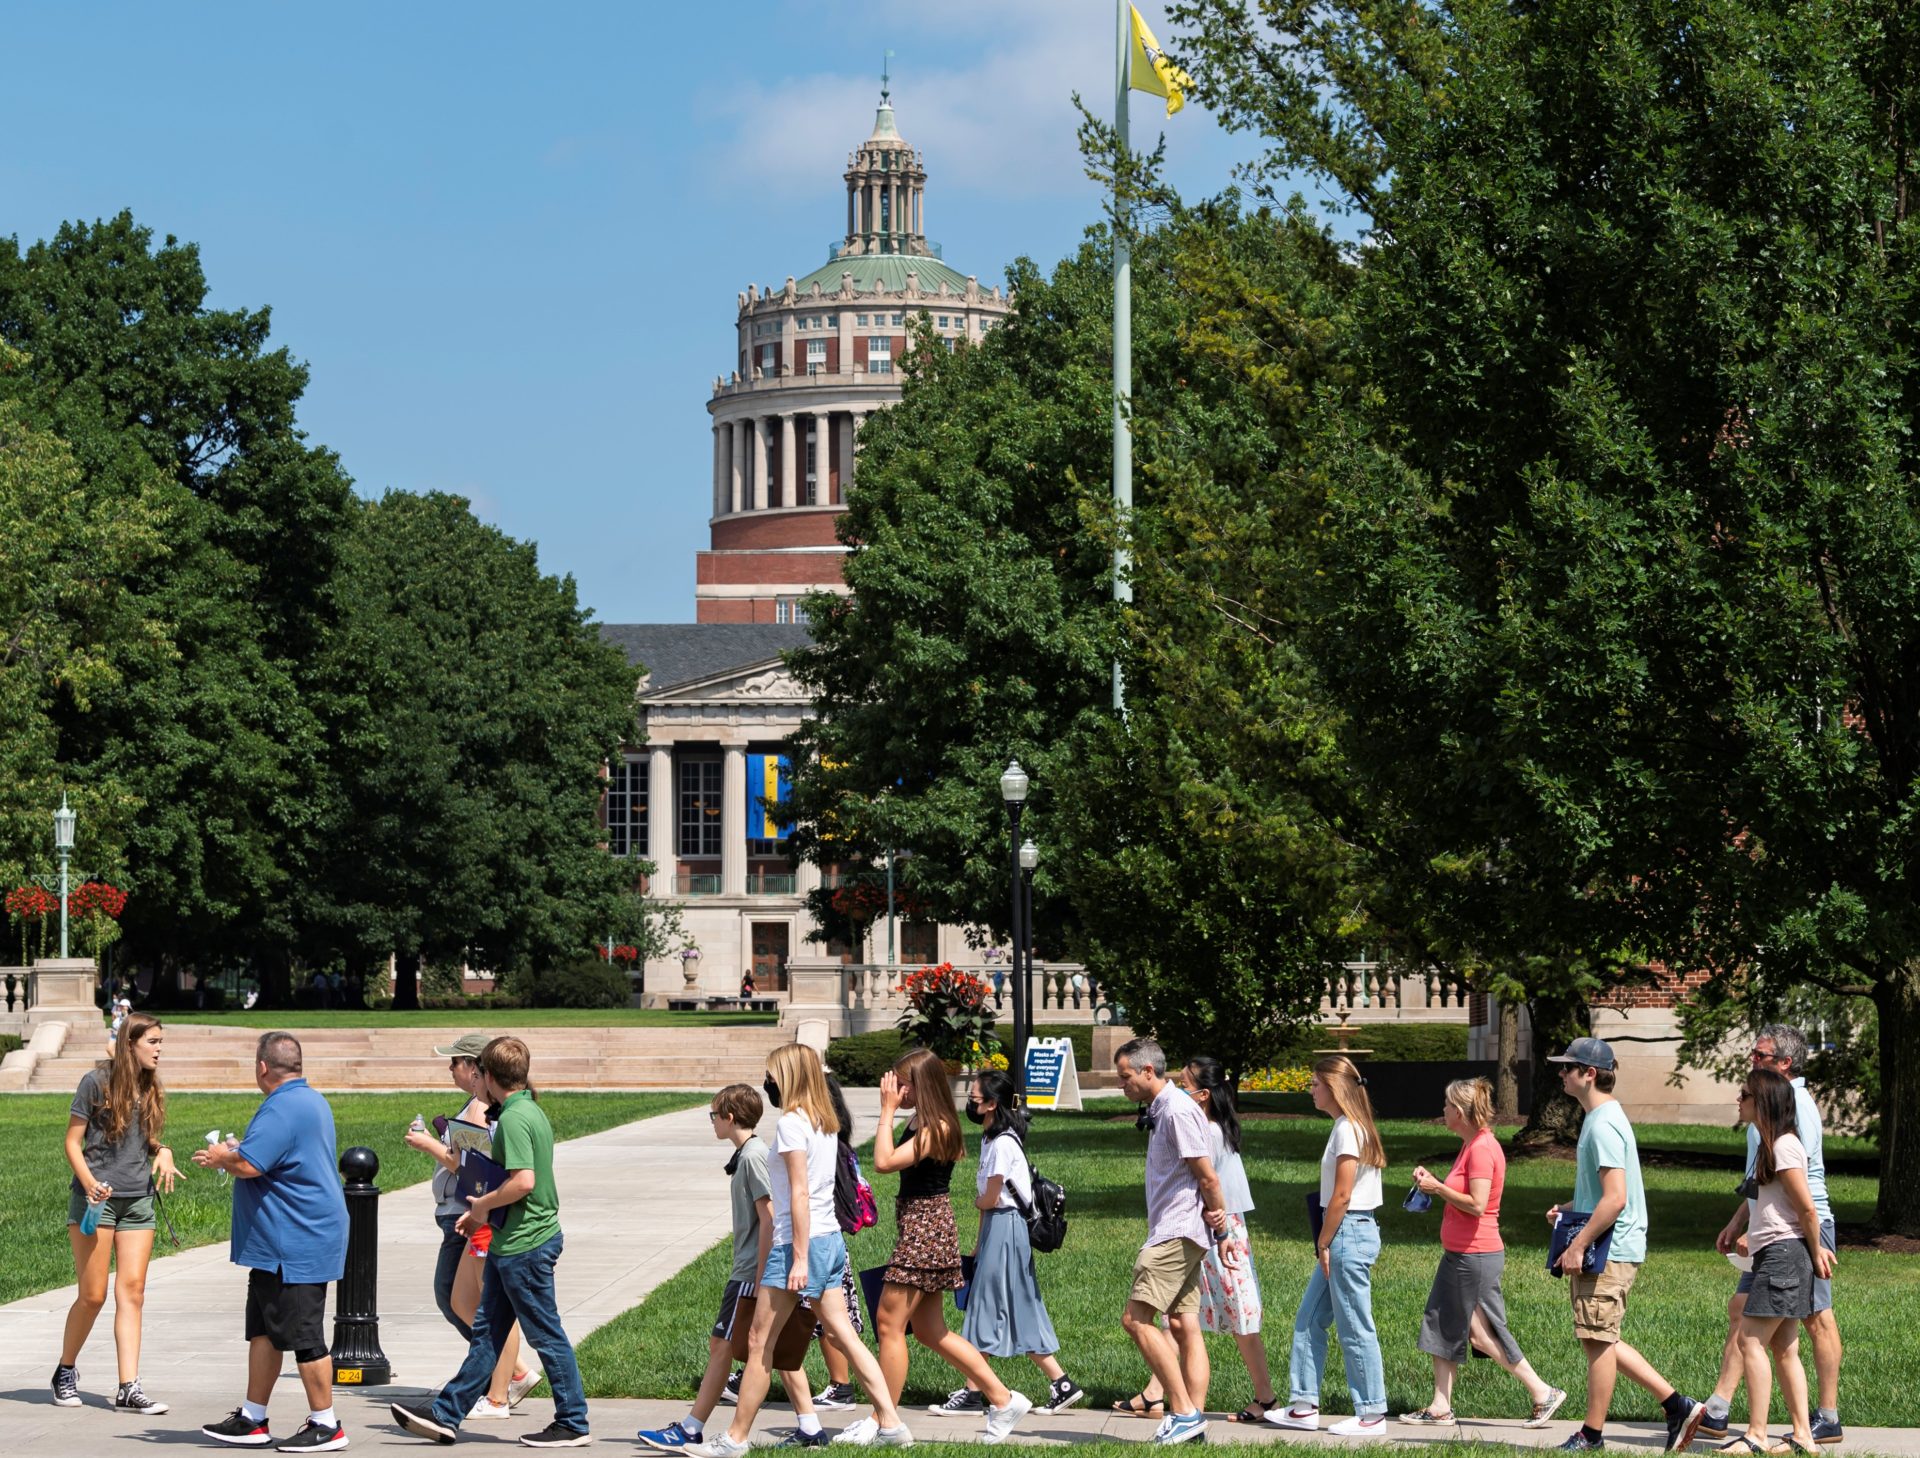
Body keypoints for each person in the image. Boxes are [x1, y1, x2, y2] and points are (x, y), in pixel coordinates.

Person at [687, 1042, 910, 1455]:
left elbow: (800, 1193)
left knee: (759, 1343)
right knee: (845, 1336)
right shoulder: (824, 1120)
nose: (767, 1081)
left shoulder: (791, 1122)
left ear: (787, 1075)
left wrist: (800, 1258)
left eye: (772, 1074)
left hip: (797, 1245)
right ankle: (893, 1423)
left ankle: (734, 1440)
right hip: (830, 1240)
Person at [390, 1036, 592, 1449]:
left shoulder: (517, 1119)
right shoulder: (525, 1110)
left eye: (479, 1072)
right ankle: (447, 1415)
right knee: (487, 1335)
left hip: (527, 1244)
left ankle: (573, 1421)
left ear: (491, 1076)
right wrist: (480, 1212)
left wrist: (481, 1203)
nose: (475, 1079)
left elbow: (523, 1182)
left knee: (545, 1334)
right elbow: (508, 1179)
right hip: (510, 1241)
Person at [1542, 1037, 1705, 1453]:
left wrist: (1578, 1243)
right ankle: (1676, 1406)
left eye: (1567, 1067)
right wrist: (1569, 1208)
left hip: (1609, 1248)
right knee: (1599, 1336)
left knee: (1597, 1340)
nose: (1561, 1073)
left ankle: (1592, 1434)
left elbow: (1616, 1198)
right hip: (1611, 1244)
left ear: (1589, 1074)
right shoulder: (1600, 1119)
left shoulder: (1603, 1123)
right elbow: (1604, 1194)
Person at [639, 1082, 823, 1451]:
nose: (711, 1123)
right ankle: (810, 1426)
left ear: (730, 1117)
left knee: (723, 1345)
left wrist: (759, 1277)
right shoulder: (749, 1153)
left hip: (750, 1273)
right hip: (752, 1269)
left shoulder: (754, 1156)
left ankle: (691, 1428)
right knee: (772, 1348)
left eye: (713, 1116)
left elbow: (769, 1218)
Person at [194, 1032, 351, 1452]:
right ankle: (253, 1417)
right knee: (263, 1329)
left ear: (263, 1066)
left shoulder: (282, 1106)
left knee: (304, 1335)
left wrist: (220, 1156)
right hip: (281, 1242)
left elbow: (248, 1165)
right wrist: (239, 1153)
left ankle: (326, 1424)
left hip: (294, 1242)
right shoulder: (309, 1100)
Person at [868, 1049, 1032, 1442]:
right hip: (923, 1225)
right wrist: (897, 1109)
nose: (896, 1089)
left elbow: (884, 1162)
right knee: (930, 1331)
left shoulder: (937, 1126)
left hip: (926, 1229)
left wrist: (886, 1111)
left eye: (903, 1083)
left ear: (920, 1085)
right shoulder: (925, 1119)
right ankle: (1002, 1399)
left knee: (890, 1324)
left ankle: (884, 1421)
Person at [1701, 1025, 1844, 1446]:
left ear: (1785, 1063)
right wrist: (1738, 1223)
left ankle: (1820, 1418)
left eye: (1761, 1057)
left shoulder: (1791, 1103)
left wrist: (1813, 1244)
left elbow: (1800, 1188)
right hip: (1774, 1229)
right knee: (1752, 1317)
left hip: (1799, 1232)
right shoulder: (1767, 1114)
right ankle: (1721, 1410)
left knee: (1811, 1319)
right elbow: (1762, 1180)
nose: (1753, 1063)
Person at [1403, 1077, 1565, 1428]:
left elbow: (1477, 1205)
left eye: (1446, 1106)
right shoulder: (1472, 1144)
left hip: (1475, 1255)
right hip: (1460, 1253)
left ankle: (1541, 1391)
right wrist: (1434, 1182)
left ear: (1459, 1112)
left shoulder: (1481, 1148)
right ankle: (1440, 1405)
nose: (1442, 1111)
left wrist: (1438, 1187)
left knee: (1481, 1331)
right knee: (1443, 1323)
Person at [1123, 1056, 1275, 1423]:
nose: (1177, 1088)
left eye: (1185, 1085)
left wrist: (1220, 1230)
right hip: (1208, 1226)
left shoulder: (1204, 1130)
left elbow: (1211, 1184)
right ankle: (1162, 1395)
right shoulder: (1207, 1124)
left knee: (1238, 1313)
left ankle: (1264, 1396)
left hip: (1219, 1228)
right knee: (1181, 1319)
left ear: (1203, 1094)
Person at [403, 1033, 539, 1419]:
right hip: (474, 1216)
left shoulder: (498, 1112)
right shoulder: (487, 1107)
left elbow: (492, 1173)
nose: (452, 1070)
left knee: (490, 1309)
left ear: (480, 1069)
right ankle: (501, 1377)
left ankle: (501, 1387)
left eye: (456, 1063)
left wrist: (430, 1145)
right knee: (461, 1301)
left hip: (479, 1217)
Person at [52, 1011, 181, 1415]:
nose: (160, 1050)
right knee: (93, 1295)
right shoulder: (96, 1082)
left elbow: (141, 1137)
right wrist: (89, 1182)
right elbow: (73, 1142)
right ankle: (65, 1370)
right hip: (97, 1201)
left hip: (138, 1200)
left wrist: (162, 1150)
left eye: (161, 1042)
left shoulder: (149, 1085)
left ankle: (129, 1386)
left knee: (133, 1293)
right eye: (153, 1042)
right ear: (131, 1044)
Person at [938, 1066, 1086, 1416]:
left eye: (974, 1098)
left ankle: (976, 1391)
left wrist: (977, 1205)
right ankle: (1058, 1383)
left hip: (1006, 1227)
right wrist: (978, 1241)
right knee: (1004, 1306)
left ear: (991, 1105)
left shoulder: (1002, 1143)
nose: (970, 1104)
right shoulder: (993, 1138)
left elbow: (989, 1197)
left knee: (988, 1306)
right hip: (997, 1228)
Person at [1113, 1035, 1227, 1447]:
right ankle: (1189, 1423)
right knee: (1181, 1325)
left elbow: (1208, 1176)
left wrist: (1223, 1227)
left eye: (1125, 1076)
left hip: (1175, 1233)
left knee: (1135, 1320)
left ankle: (1183, 1412)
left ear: (1148, 1071)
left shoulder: (1177, 1110)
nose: (1121, 1084)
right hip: (1179, 1230)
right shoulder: (1165, 1109)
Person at [1269, 1054, 1388, 1437]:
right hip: (1346, 1232)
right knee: (1308, 1319)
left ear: (1335, 1089)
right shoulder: (1347, 1126)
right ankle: (1302, 1406)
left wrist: (1323, 1241)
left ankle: (1371, 1413)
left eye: (1316, 1084)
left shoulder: (1347, 1130)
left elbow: (1341, 1195)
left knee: (1355, 1325)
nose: (1310, 1090)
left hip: (1346, 1232)